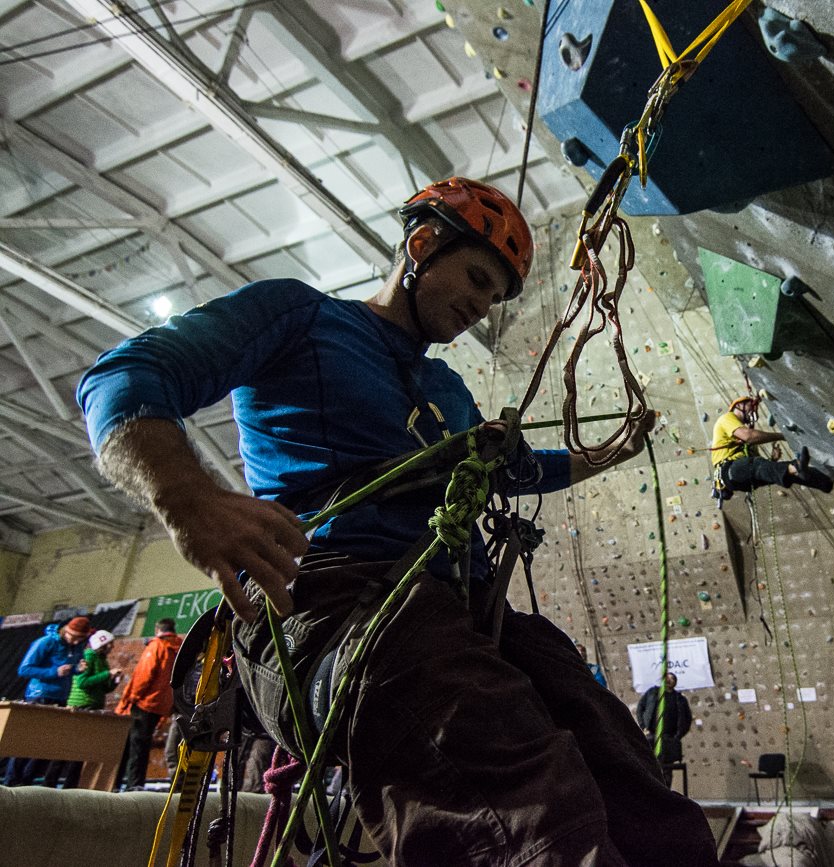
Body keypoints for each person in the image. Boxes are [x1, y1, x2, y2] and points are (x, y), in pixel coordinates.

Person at [77, 177, 719, 865]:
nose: (482, 304)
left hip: (462, 612)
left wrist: (604, 455)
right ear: (420, 244)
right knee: (508, 776)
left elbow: (516, 470)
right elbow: (125, 375)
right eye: (476, 277)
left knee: (617, 753)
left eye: (496, 295)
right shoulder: (301, 316)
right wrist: (188, 498)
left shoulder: (447, 391)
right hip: (331, 603)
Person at [1, 616, 91, 786]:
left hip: (61, 697)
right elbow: (24, 669)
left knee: (45, 744)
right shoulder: (46, 642)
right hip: (39, 695)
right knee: (27, 741)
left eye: (80, 638)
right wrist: (53, 672)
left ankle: (27, 782)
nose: (75, 640)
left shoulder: (77, 647)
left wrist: (77, 670)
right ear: (65, 630)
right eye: (73, 636)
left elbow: (69, 671)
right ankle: (11, 781)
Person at [712, 396, 834, 496]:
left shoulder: (748, 446)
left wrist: (772, 459)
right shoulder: (726, 418)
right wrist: (782, 436)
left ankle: (825, 481)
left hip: (744, 478)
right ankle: (796, 468)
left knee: (787, 471)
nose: (754, 411)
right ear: (738, 405)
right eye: (751, 405)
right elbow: (748, 436)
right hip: (729, 471)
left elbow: (761, 469)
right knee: (784, 467)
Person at [48, 629, 124, 788]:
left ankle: (71, 786)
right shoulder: (89, 656)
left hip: (93, 706)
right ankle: (50, 782)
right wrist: (107, 674)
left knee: (82, 750)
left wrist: (114, 681)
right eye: (109, 643)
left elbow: (102, 688)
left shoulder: (103, 660)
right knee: (66, 748)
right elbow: (83, 682)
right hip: (80, 705)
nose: (112, 646)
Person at [114, 618, 183, 791]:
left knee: (132, 746)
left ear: (157, 629)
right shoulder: (181, 649)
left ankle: (128, 784)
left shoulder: (156, 646)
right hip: (162, 704)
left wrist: (130, 699)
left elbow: (144, 676)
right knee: (143, 746)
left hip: (145, 703)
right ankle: (135, 783)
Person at [636, 672, 693, 781]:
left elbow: (687, 718)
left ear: (675, 683)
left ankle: (666, 792)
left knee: (667, 769)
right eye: (667, 677)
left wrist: (678, 736)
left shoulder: (679, 699)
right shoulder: (652, 693)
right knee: (648, 765)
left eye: (672, 678)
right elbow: (640, 709)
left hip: (669, 738)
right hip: (651, 736)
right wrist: (644, 727)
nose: (669, 680)